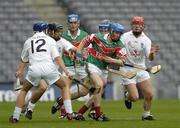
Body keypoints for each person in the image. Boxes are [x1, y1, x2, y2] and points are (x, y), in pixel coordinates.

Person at [9, 22, 74, 123]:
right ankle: (69, 113)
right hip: (49, 69)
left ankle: (15, 117)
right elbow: (57, 58)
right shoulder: (50, 40)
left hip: (34, 69)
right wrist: (67, 71)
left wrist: (19, 71)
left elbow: (24, 60)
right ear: (44, 30)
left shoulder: (28, 41)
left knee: (23, 91)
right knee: (65, 85)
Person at [74, 22, 127, 121]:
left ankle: (79, 113)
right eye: (116, 33)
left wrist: (111, 60)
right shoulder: (97, 37)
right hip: (91, 65)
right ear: (111, 31)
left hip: (103, 69)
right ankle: (98, 114)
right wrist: (78, 53)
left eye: (120, 34)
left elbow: (122, 62)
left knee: (97, 91)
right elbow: (84, 41)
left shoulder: (120, 44)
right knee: (99, 85)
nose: (118, 35)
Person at [51, 14, 91, 119]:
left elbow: (88, 51)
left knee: (86, 90)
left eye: (75, 23)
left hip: (81, 66)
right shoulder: (62, 35)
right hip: (68, 66)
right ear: (68, 24)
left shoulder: (84, 35)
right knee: (65, 87)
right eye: (71, 23)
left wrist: (83, 55)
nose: (73, 25)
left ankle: (60, 100)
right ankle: (64, 112)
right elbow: (57, 50)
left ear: (78, 24)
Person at [120, 16, 160, 120]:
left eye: (139, 25)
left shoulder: (146, 40)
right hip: (127, 69)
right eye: (135, 24)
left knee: (149, 95)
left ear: (143, 26)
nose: (137, 26)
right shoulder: (124, 36)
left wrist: (152, 54)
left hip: (141, 69)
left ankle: (146, 114)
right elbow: (118, 49)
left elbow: (149, 58)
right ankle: (127, 96)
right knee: (134, 98)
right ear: (131, 26)